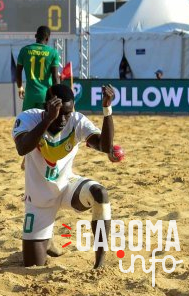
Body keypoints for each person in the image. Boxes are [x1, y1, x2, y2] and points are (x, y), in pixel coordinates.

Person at [13, 84, 121, 269]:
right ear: (47, 106)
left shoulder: (77, 121)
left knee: (100, 193)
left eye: (68, 113)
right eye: (59, 113)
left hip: (66, 187)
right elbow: (22, 148)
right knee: (32, 264)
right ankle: (45, 239)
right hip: (39, 200)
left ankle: (99, 264)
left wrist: (107, 109)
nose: (63, 119)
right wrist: (48, 120)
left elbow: (105, 146)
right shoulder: (28, 118)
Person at [16, 26, 61, 111]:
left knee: (27, 121)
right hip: (46, 95)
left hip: (29, 95)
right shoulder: (53, 53)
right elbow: (55, 77)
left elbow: (18, 72)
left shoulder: (25, 50)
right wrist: (57, 95)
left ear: (35, 36)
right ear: (47, 39)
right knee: (45, 121)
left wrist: (20, 87)